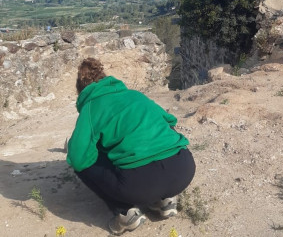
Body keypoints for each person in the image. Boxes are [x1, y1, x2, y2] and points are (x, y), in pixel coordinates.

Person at [66, 58, 195, 235]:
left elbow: (77, 157)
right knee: (163, 141)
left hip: (140, 185)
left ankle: (126, 213)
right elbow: (170, 120)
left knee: (83, 164)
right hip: (183, 170)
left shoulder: (90, 107)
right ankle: (166, 200)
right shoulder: (135, 95)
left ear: (81, 90)